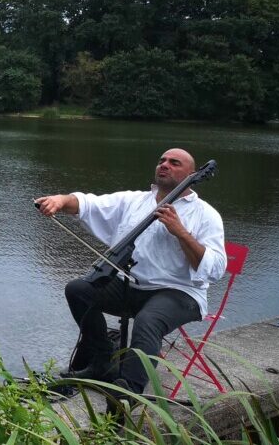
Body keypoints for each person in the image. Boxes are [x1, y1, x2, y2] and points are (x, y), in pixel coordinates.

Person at [34, 148, 227, 399]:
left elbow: (215, 268)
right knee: (79, 290)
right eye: (162, 160)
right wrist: (60, 200)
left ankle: (129, 392)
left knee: (148, 321)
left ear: (192, 174)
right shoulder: (134, 201)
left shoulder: (205, 214)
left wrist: (181, 232)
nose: (164, 165)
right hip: (131, 286)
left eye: (174, 162)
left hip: (179, 291)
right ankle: (102, 359)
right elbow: (88, 204)